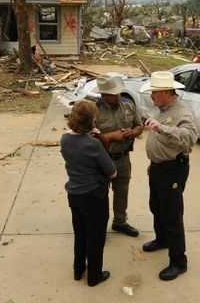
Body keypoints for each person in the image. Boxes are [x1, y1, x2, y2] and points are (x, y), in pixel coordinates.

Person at [139, 71, 198, 281]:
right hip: (158, 169)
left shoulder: (182, 112)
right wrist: (153, 163)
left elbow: (189, 138)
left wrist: (162, 128)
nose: (151, 97)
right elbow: (162, 141)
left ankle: (179, 262)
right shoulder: (163, 109)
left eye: (154, 93)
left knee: (172, 215)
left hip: (173, 171)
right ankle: (162, 239)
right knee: (156, 207)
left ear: (165, 92)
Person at [60, 99, 117, 287]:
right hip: (93, 196)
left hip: (74, 194)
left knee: (80, 233)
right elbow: (112, 172)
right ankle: (94, 276)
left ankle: (78, 270)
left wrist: (88, 137)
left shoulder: (65, 139)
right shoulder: (93, 145)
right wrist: (96, 141)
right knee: (95, 236)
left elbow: (76, 148)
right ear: (91, 120)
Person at [93, 75, 144, 237]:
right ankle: (98, 226)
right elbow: (89, 138)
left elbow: (139, 127)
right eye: (113, 94)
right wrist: (112, 136)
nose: (117, 96)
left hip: (123, 159)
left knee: (122, 192)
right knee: (100, 196)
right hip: (103, 161)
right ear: (103, 95)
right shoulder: (95, 111)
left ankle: (120, 222)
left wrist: (132, 133)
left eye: (118, 93)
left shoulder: (128, 107)